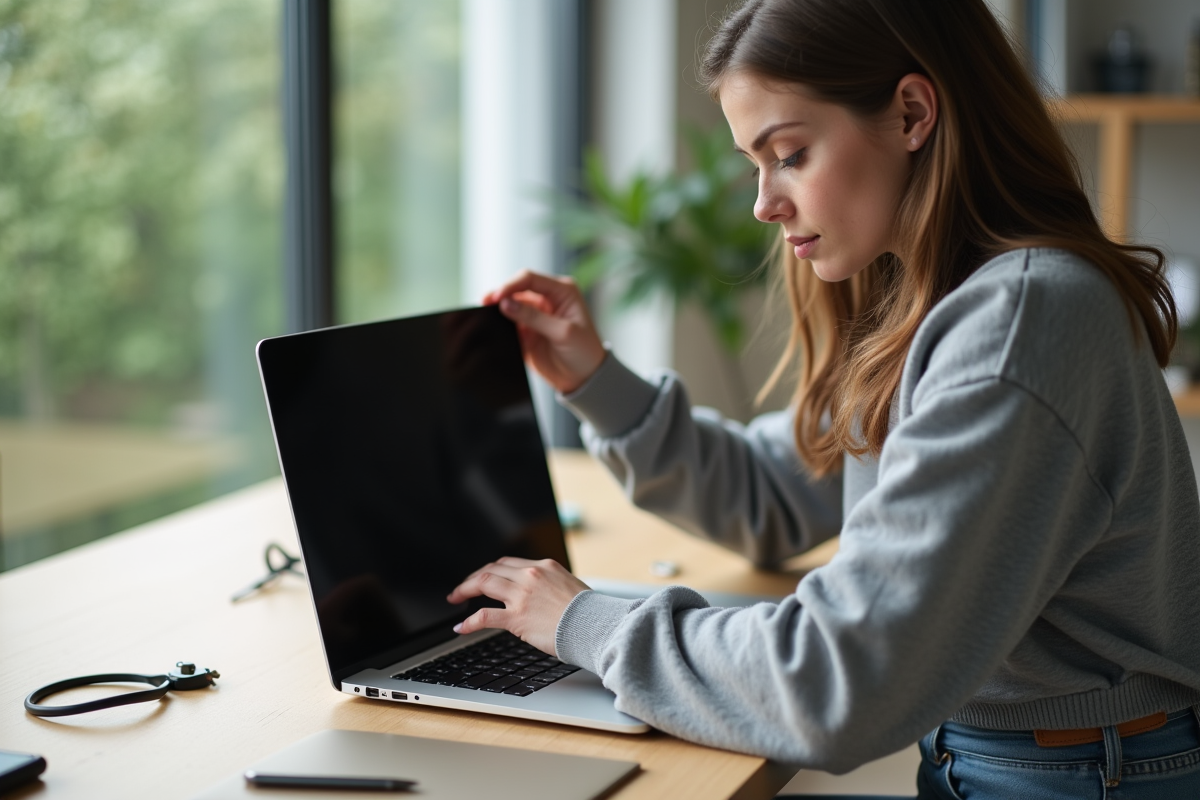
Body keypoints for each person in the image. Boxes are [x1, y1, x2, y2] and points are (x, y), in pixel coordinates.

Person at [447, 1, 1200, 797]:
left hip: (1078, 779)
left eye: (790, 154)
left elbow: (837, 686)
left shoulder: (1017, 323)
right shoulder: (944, 301)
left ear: (912, 113)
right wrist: (593, 380)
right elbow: (781, 491)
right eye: (754, 164)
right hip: (1017, 762)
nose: (763, 203)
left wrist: (584, 623)